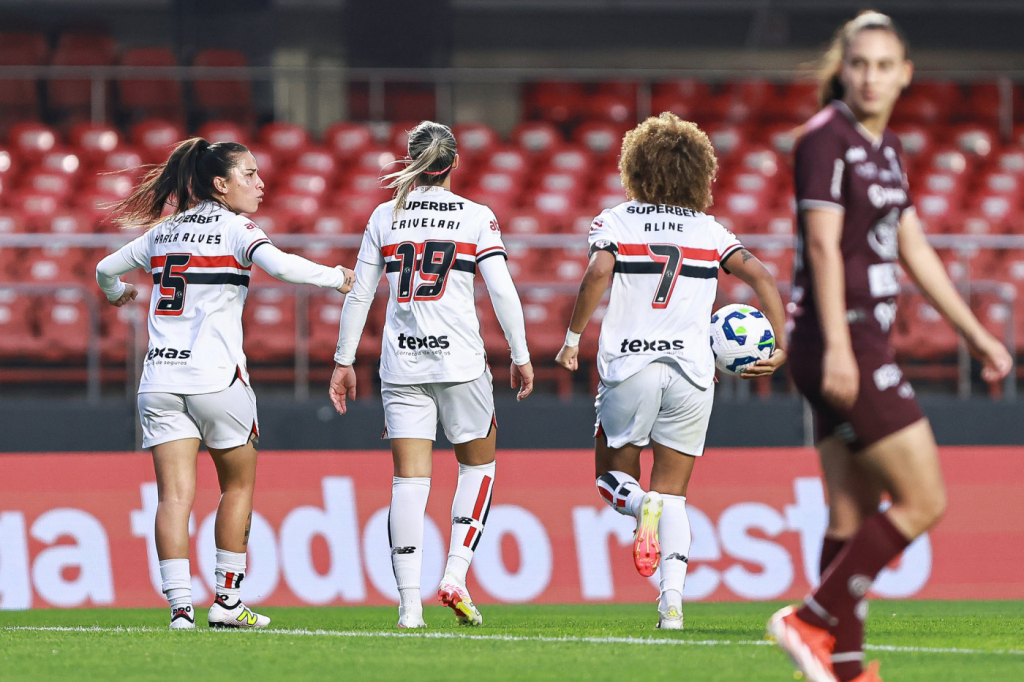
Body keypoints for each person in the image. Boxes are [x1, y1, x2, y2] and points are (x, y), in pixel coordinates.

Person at [767, 11, 1013, 682]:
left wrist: (978, 333)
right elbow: (820, 245)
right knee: (924, 500)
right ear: (842, 71)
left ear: (905, 74)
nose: (871, 77)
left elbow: (914, 250)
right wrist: (843, 347)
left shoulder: (887, 147)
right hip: (840, 343)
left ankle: (843, 671)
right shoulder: (825, 139)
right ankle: (809, 620)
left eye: (884, 65)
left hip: (857, 340)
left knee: (851, 512)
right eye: (860, 64)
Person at [95, 138, 355, 630]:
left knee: (173, 498)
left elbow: (103, 269)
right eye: (250, 174)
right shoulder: (237, 227)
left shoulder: (162, 231)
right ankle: (228, 603)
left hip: (160, 378)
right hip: (217, 378)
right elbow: (280, 266)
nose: (261, 183)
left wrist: (119, 293)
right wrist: (336, 277)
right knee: (237, 486)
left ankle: (179, 610)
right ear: (221, 183)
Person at [554, 112, 788, 630]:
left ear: (634, 168)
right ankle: (673, 605)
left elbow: (597, 272)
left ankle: (640, 508)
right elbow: (762, 275)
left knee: (613, 479)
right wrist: (781, 342)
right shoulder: (710, 230)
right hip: (691, 374)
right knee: (675, 493)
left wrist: (572, 339)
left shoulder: (615, 220)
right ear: (699, 172)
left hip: (631, 366)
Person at [329, 121, 533, 629]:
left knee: (408, 483)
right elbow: (502, 290)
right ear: (455, 164)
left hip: (402, 363)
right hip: (461, 362)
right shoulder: (476, 217)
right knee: (478, 467)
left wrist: (343, 359)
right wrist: (521, 352)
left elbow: (359, 293)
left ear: (412, 159)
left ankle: (408, 607)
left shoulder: (385, 215)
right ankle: (457, 575)